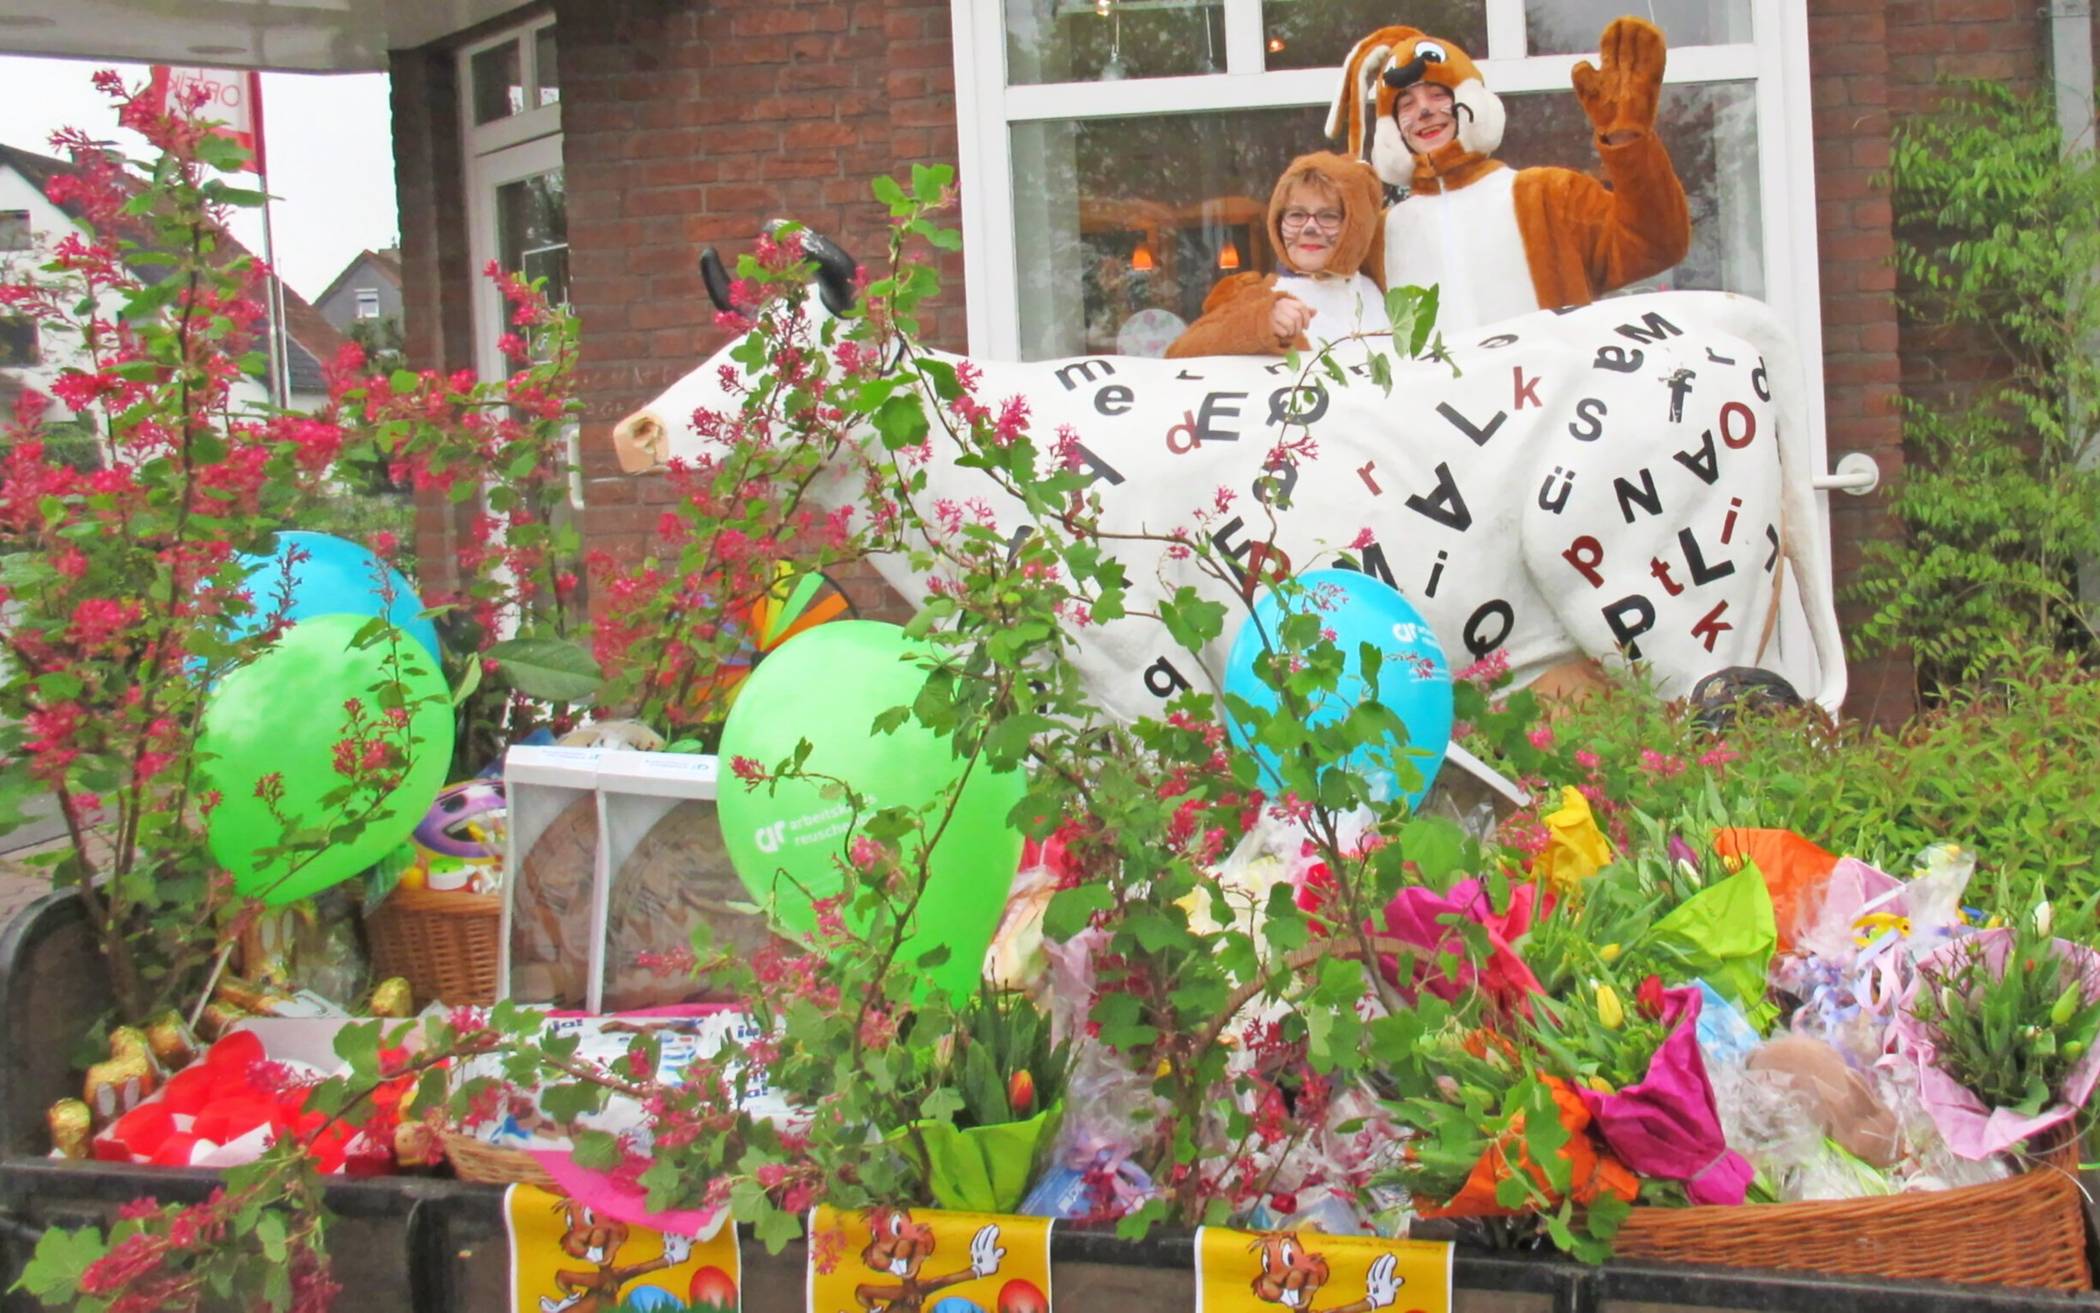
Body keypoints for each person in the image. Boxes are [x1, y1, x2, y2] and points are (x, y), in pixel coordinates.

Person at [1326, 16, 1690, 334]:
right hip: (1436, 411)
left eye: (1438, 94)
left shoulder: (1547, 194)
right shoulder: (1380, 234)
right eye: (1405, 103)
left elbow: (1655, 244)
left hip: (1553, 408)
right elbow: (1322, 304)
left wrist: (1627, 140)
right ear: (1393, 128)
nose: (1423, 111)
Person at [1164, 151, 1387, 358]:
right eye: (1297, 215)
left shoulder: (1376, 290)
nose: (1310, 228)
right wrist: (1261, 323)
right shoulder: (1261, 295)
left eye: (1328, 216)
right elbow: (1178, 354)